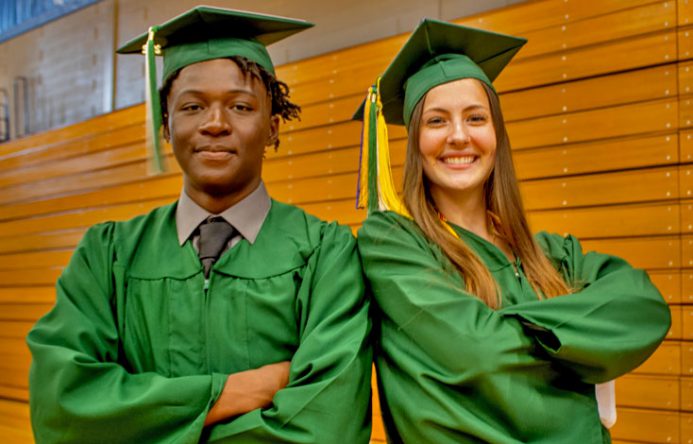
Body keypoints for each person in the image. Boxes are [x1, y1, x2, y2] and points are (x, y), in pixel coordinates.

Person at [26, 6, 371, 443]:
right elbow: (63, 405)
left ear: (272, 126)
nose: (215, 124)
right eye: (192, 106)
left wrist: (147, 420)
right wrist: (231, 391)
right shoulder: (107, 255)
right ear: (166, 126)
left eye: (241, 106)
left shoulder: (325, 253)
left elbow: (329, 423)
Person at [355, 18, 671, 443]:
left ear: (497, 134)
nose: (459, 136)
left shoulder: (552, 254)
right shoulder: (395, 243)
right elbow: (476, 351)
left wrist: (503, 327)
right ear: (414, 141)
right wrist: (578, 350)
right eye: (436, 121)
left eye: (475, 117)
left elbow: (645, 309)